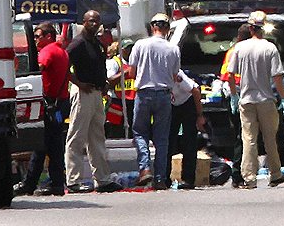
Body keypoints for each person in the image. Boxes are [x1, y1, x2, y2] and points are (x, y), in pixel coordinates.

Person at [228, 11, 284, 189]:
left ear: (250, 28)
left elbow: (230, 74)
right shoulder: (270, 48)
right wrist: (283, 99)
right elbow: (277, 77)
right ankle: (275, 174)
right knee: (270, 138)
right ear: (264, 29)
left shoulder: (240, 48)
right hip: (266, 100)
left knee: (249, 139)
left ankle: (249, 177)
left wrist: (234, 95)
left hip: (246, 100)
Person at [64, 10, 121, 193]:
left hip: (97, 93)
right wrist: (78, 83)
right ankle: (73, 181)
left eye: (97, 21)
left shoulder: (96, 43)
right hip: (83, 93)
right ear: (84, 22)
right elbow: (63, 65)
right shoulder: (78, 43)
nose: (94, 24)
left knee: (97, 136)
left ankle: (103, 180)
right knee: (77, 137)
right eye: (91, 21)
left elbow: (99, 66)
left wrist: (104, 84)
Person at [126, 13, 181, 190]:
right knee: (162, 138)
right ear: (167, 29)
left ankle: (145, 168)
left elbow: (132, 72)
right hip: (164, 94)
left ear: (152, 27)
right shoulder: (173, 49)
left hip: (143, 93)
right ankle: (160, 178)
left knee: (140, 132)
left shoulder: (140, 45)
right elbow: (174, 75)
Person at [15, 22, 70, 197]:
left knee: (41, 144)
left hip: (49, 104)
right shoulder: (62, 51)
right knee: (53, 145)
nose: (36, 40)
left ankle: (31, 183)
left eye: (38, 36)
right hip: (59, 103)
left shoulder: (48, 51)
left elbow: (38, 68)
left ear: (48, 36)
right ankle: (56, 184)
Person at [222, 23, 252, 187]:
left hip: (234, 95)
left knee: (240, 136)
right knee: (244, 136)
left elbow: (225, 76)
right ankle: (238, 174)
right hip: (245, 95)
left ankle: (240, 173)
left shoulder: (231, 51)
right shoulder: (248, 51)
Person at [169, 69, 205, 190]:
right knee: (169, 139)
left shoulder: (176, 74)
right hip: (173, 104)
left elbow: (195, 91)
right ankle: (163, 178)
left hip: (188, 101)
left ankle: (188, 179)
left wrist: (199, 115)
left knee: (189, 140)